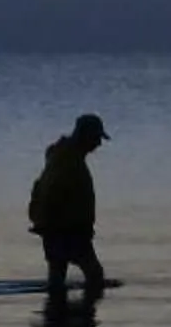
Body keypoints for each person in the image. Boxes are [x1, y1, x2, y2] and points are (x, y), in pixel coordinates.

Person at [28, 112, 111, 299]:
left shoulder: (64, 158)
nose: (98, 144)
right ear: (85, 135)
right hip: (67, 231)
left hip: (61, 230)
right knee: (94, 275)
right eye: (97, 138)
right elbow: (52, 194)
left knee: (57, 276)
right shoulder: (67, 162)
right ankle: (77, 320)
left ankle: (56, 319)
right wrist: (56, 225)